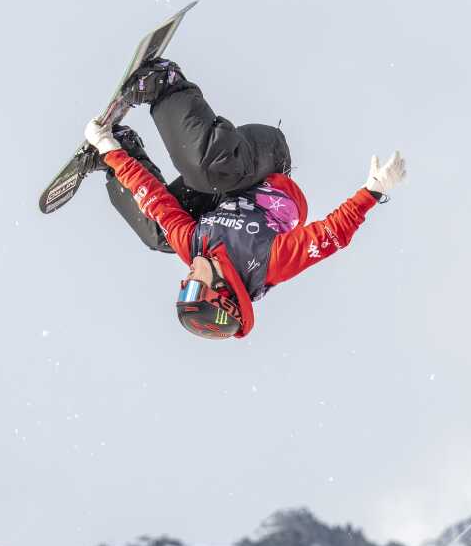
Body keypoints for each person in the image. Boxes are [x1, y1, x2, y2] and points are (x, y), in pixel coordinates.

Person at [84, 59, 407, 339]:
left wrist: (112, 153)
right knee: (209, 172)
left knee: (159, 232)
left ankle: (120, 146)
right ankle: (165, 83)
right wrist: (373, 190)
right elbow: (331, 234)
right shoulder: (269, 263)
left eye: (182, 289)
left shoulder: (194, 246)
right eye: (193, 289)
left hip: (222, 192)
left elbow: (154, 200)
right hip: (259, 163)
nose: (186, 280)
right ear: (222, 295)